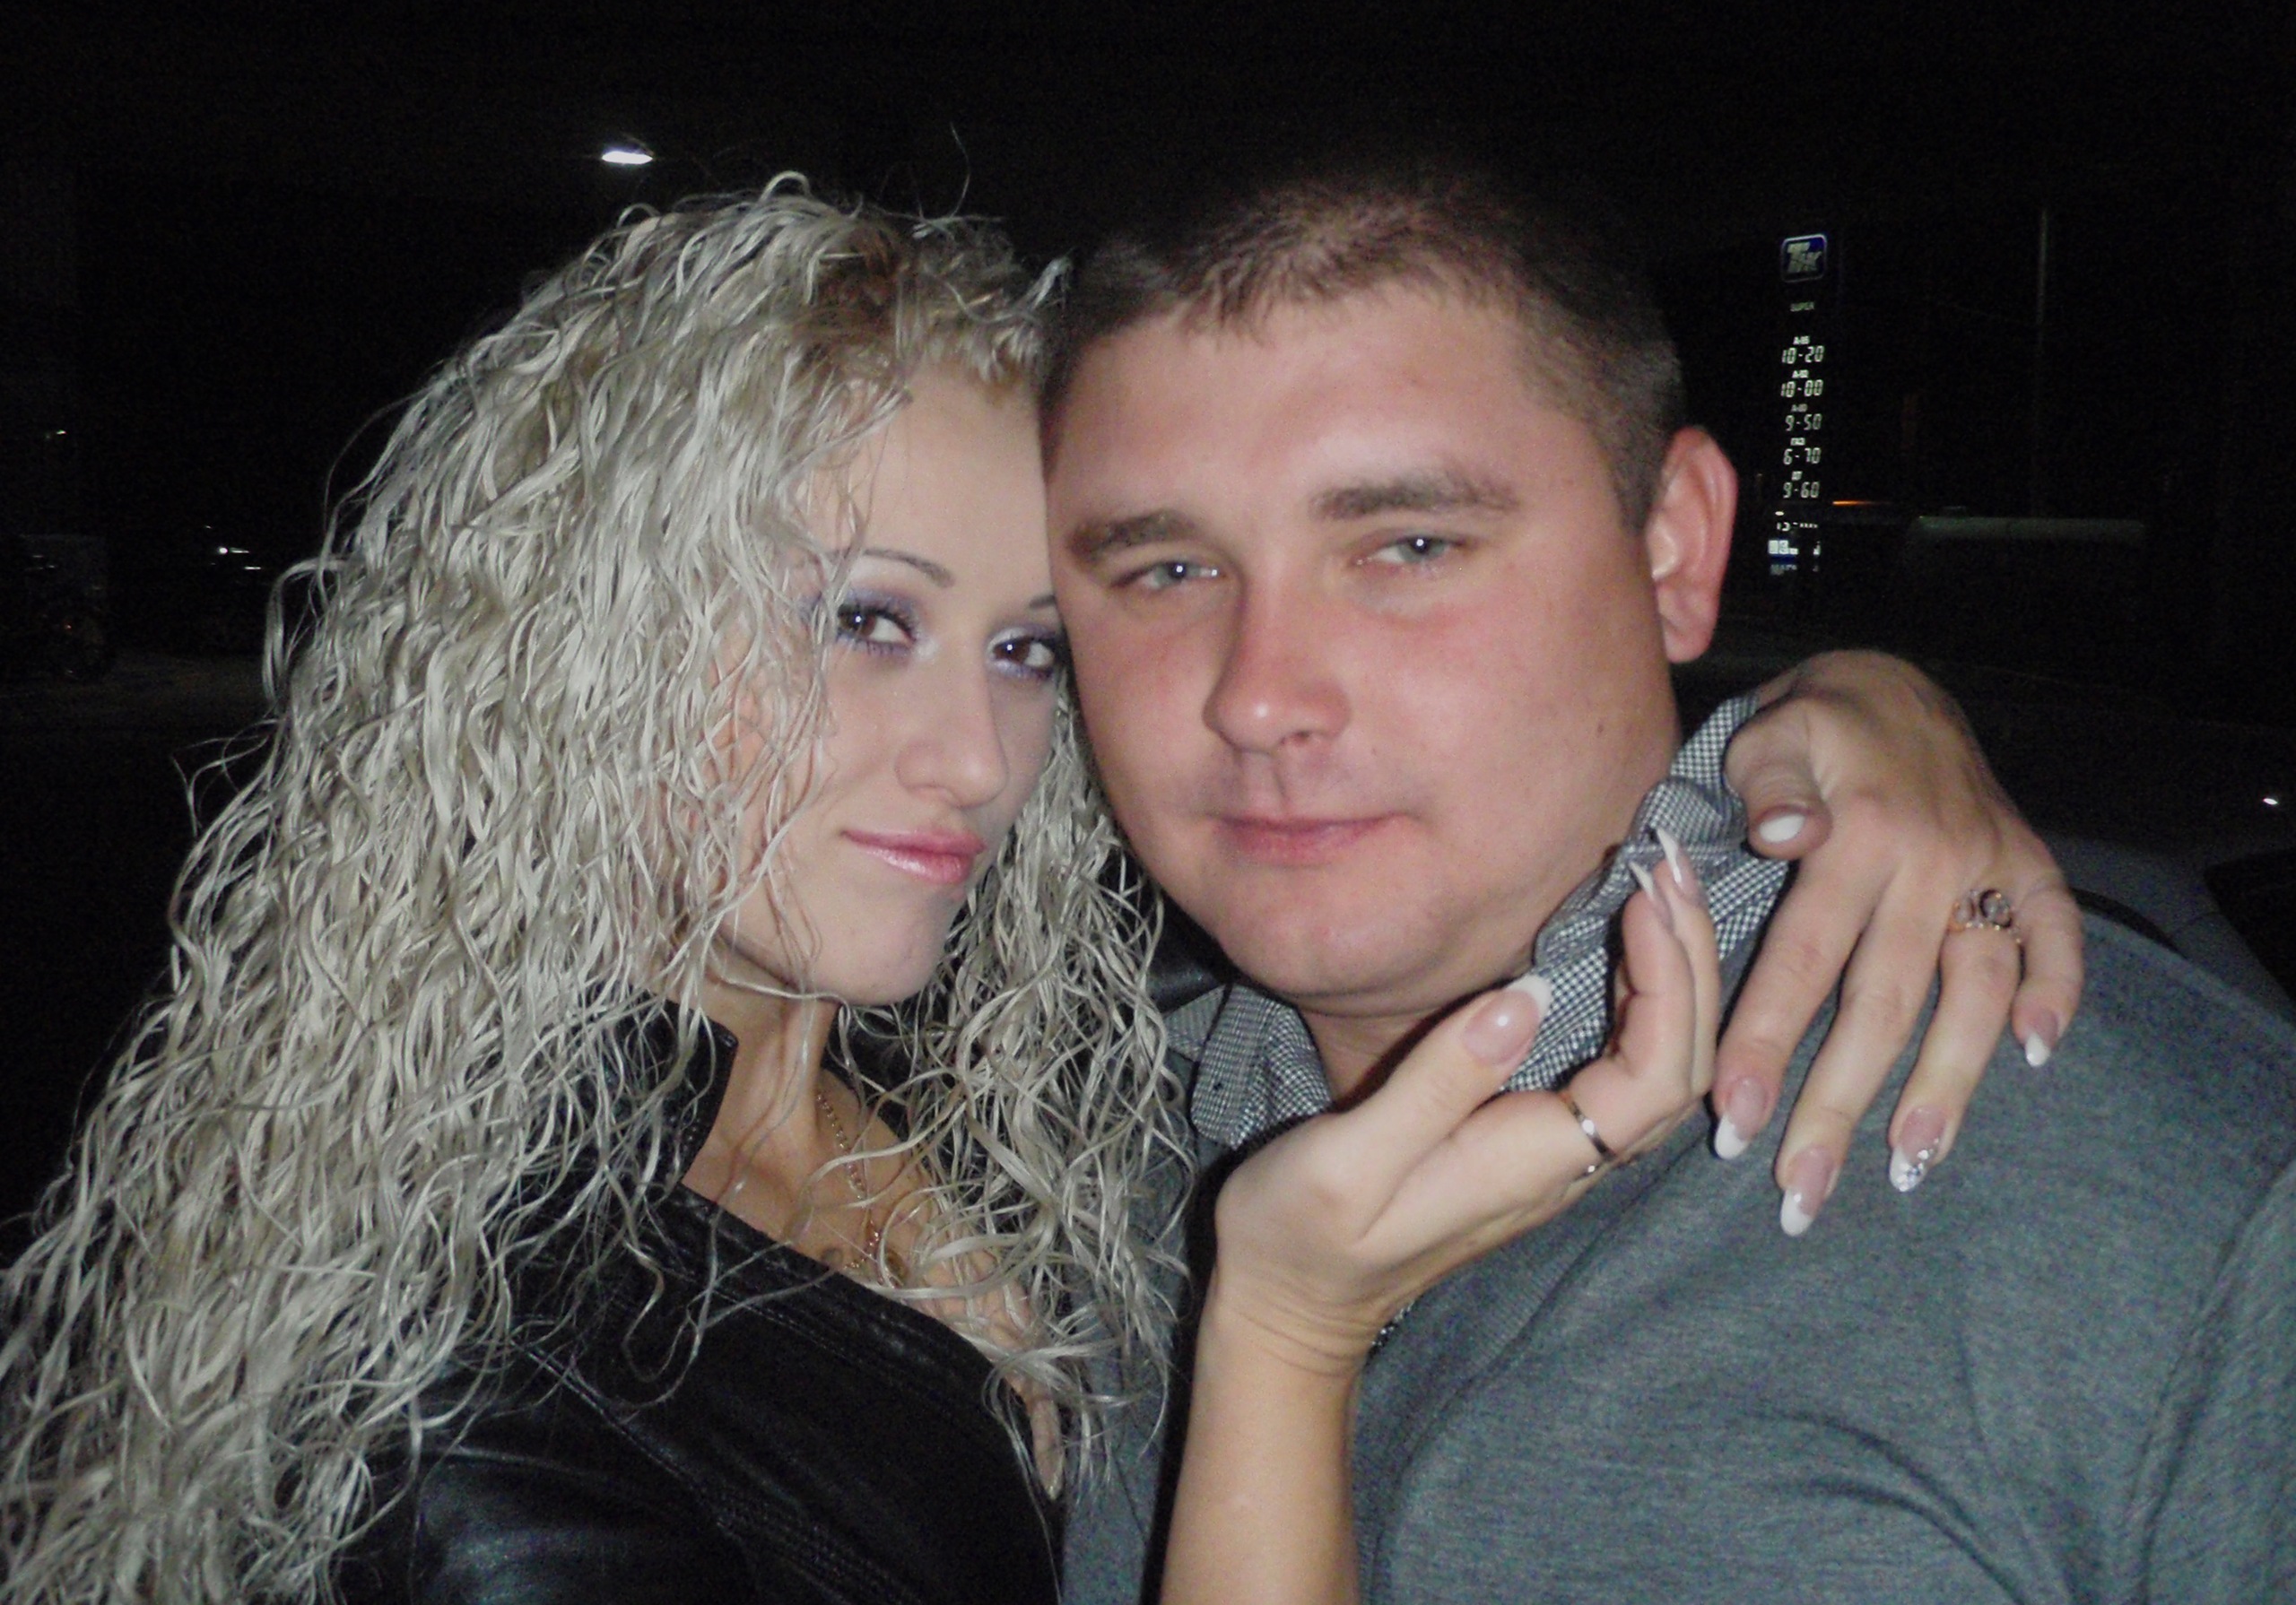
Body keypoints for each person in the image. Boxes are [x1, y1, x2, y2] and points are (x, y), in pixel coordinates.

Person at [0, 180, 2074, 1605]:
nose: (980, 758)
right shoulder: (485, 1389)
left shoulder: (1038, 1103)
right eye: (862, 620)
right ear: (580, 634)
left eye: (1023, 647)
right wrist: (1282, 1338)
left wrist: (1837, 715)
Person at [1045, 157, 2296, 1603]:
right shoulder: (1051, 1200)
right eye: (1166, 572)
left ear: (1676, 545)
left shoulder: (2157, 1190)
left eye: (1409, 545)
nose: (1259, 698)